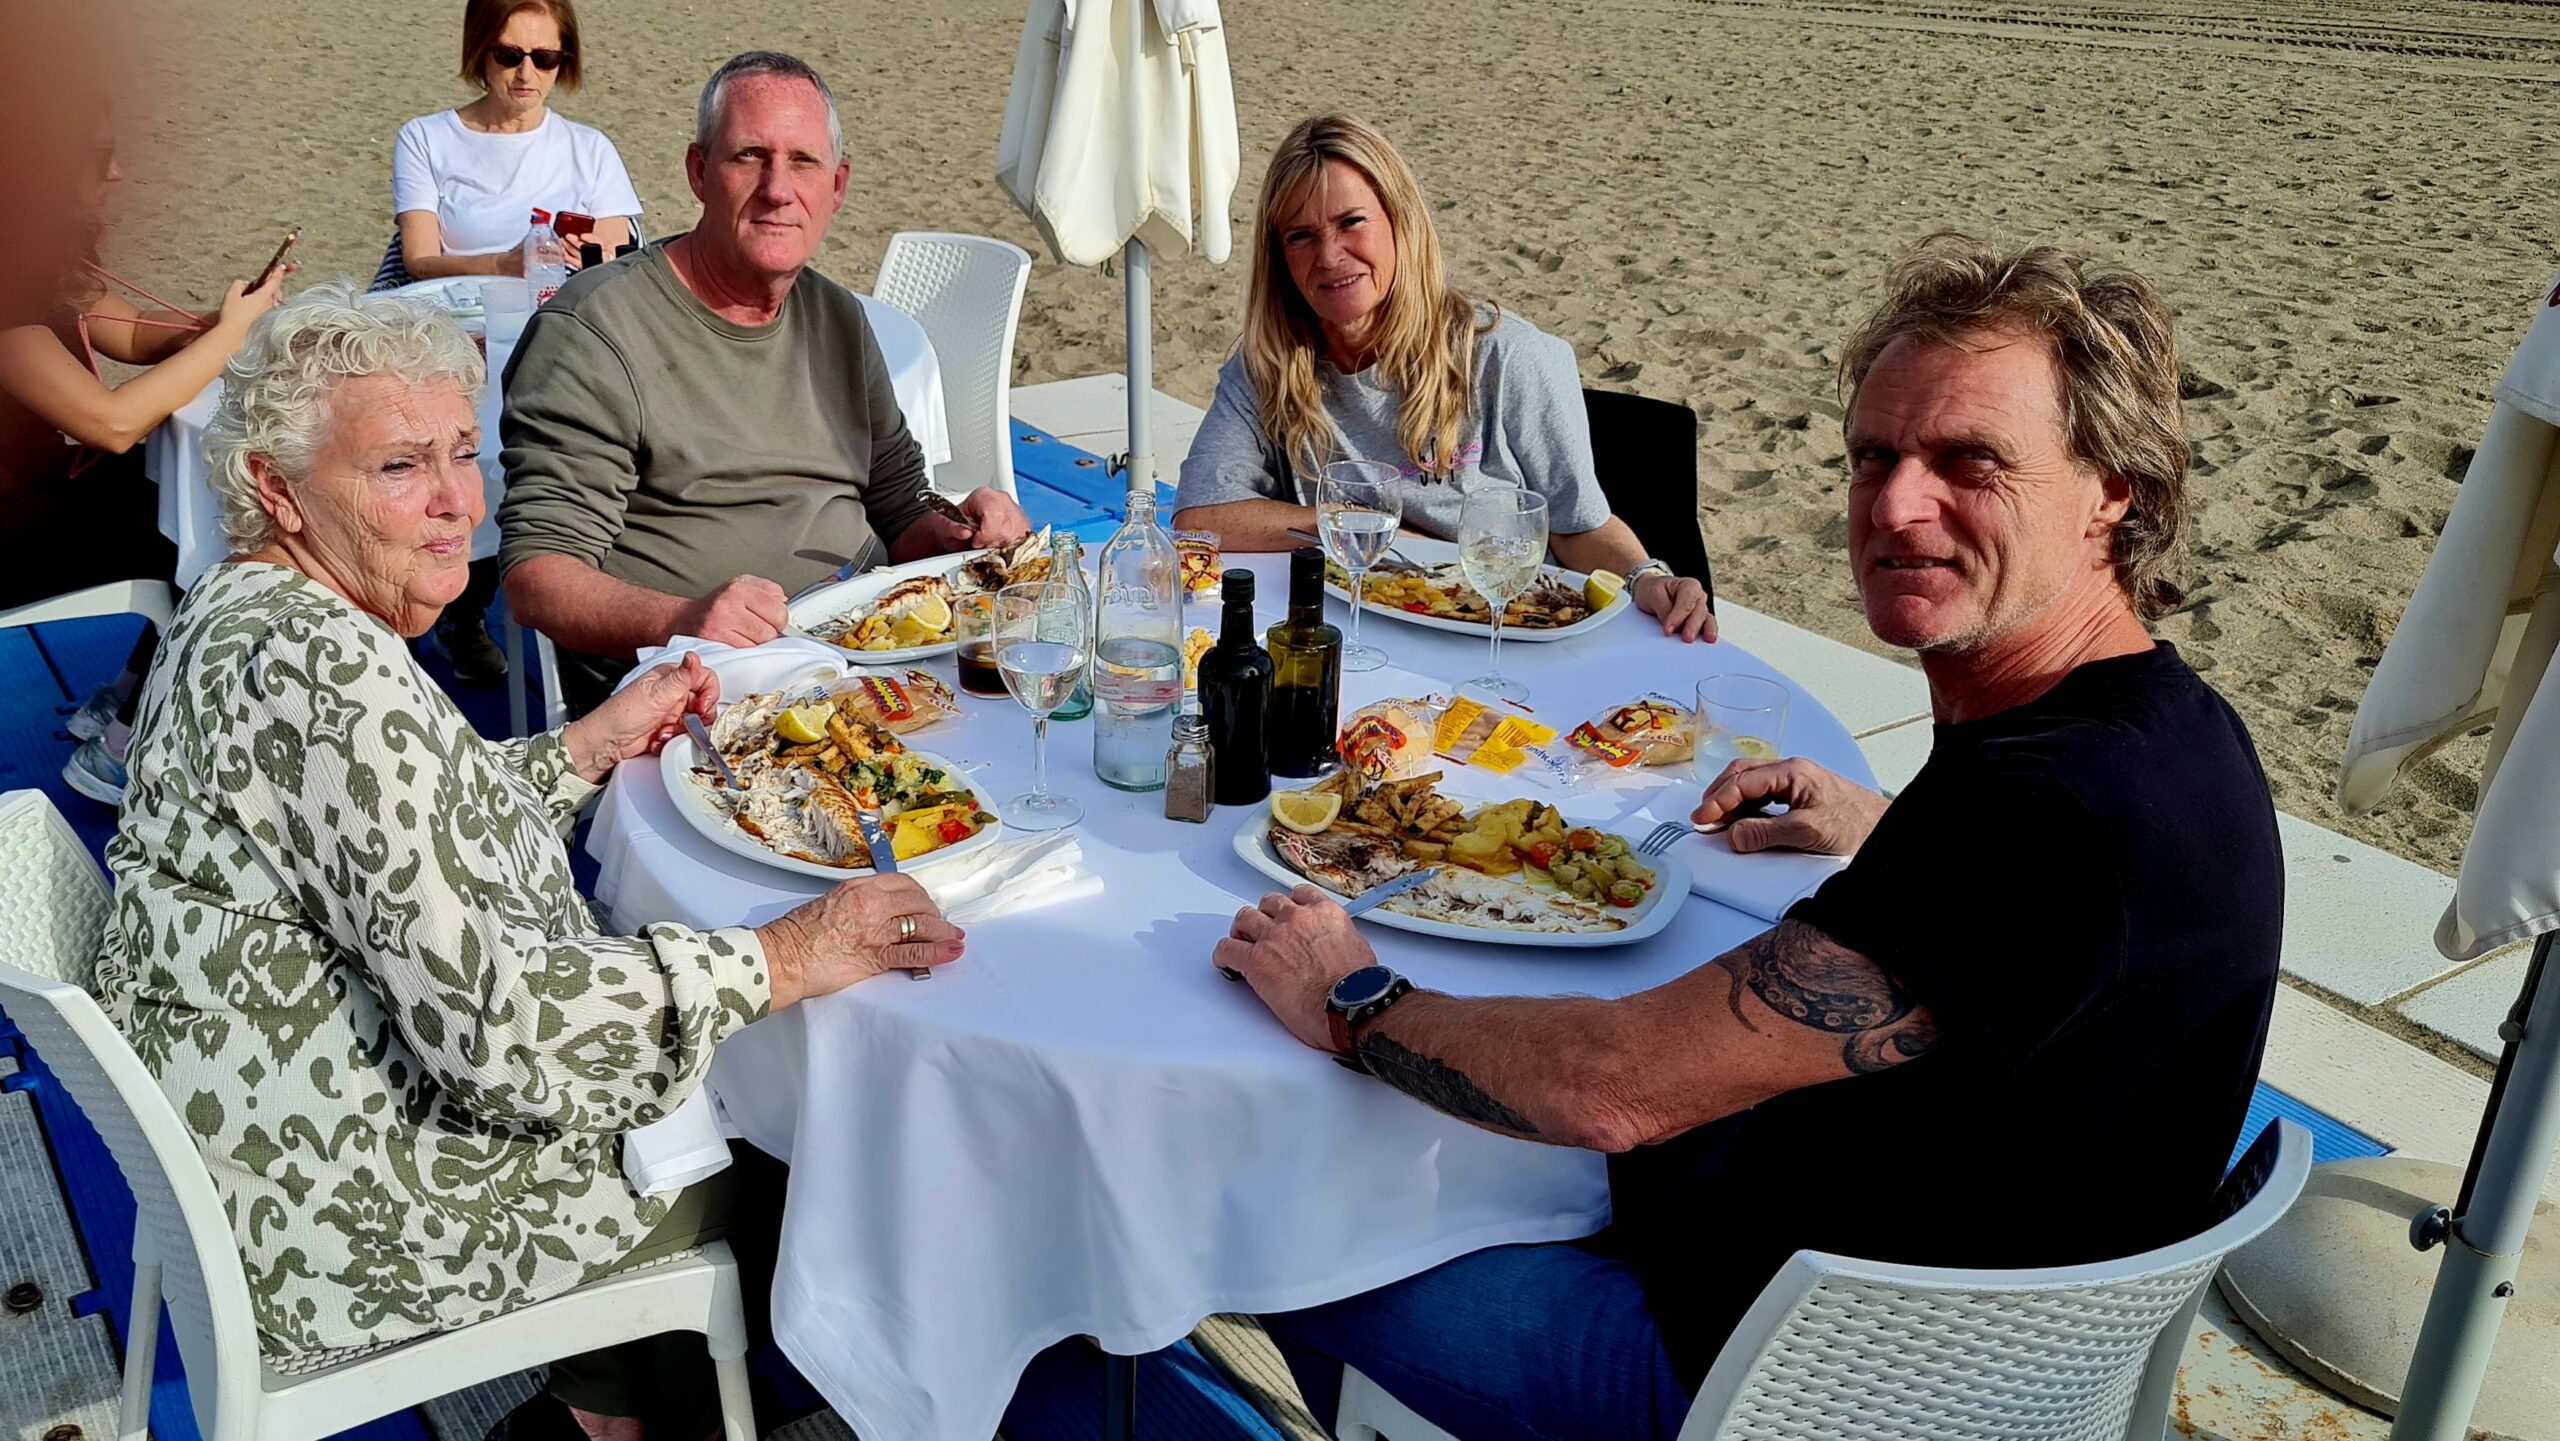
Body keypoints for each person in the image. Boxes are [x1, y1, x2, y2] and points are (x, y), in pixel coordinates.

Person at [1215, 236, 2284, 1438]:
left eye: (1969, 462)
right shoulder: (2167, 732)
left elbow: (1607, 1089)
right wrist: (1887, 826)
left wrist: (1351, 997)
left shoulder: (2044, 816)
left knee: (1275, 1231)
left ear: (2112, 491)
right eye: (1874, 455)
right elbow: (2044, 926)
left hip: (1785, 1385)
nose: (1893, 505)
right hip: (1971, 1331)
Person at [92, 285, 965, 1439]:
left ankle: (610, 1408)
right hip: (335, 1202)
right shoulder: (328, 677)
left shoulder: (251, 605)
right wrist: (786, 955)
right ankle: (609, 1418)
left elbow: (400, 826)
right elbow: (503, 1038)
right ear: (275, 486)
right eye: (401, 468)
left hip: (259, 1116)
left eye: (462, 450)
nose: (460, 504)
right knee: (802, 1149)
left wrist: (584, 747)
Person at [500, 50, 1030, 715]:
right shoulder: (597, 330)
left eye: (803, 162)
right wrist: (687, 616)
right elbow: (537, 575)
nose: (779, 188)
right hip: (705, 688)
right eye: (749, 156)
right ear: (699, 172)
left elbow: (899, 510)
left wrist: (960, 531)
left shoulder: (839, 320)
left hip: (871, 652)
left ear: (836, 187)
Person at [1172, 114, 1715, 643]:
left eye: (1351, 222)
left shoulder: (1507, 355)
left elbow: (1580, 527)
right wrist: (1349, 523)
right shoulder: (1270, 366)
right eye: (1301, 235)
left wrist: (1649, 579)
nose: (1330, 256)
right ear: (1279, 256)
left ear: (1400, 222)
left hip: (1505, 629)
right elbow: (1200, 517)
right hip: (1361, 629)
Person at [0, 119, 286, 806]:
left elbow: (127, 333)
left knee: (208, 491)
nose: (119, 173)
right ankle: (124, 745)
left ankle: (125, 701)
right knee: (228, 509)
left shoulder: (39, 256)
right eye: (101, 155)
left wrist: (221, 319)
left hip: (43, 488)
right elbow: (115, 423)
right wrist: (229, 341)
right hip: (13, 526)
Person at [390, 0, 644, 686]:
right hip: (455, 342)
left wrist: (585, 247)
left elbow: (620, 253)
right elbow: (418, 259)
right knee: (444, 473)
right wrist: (502, 261)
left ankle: (498, 615)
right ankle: (446, 614)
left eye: (546, 57)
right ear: (480, 53)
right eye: (510, 55)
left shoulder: (587, 148)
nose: (528, 73)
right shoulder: (427, 138)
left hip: (558, 337)